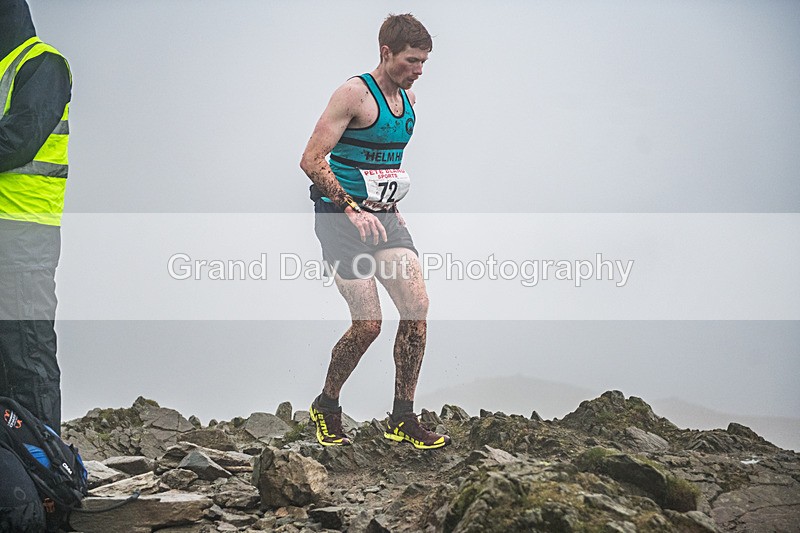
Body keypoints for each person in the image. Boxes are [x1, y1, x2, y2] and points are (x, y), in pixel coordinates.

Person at [300, 13, 450, 450]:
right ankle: (326, 405)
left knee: (417, 306)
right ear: (386, 53)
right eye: (411, 60)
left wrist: (390, 205)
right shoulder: (353, 95)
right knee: (368, 324)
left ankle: (403, 416)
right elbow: (311, 160)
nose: (419, 69)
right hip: (339, 219)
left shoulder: (409, 103)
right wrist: (350, 208)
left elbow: (383, 160)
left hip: (383, 217)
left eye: (424, 61)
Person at [0, 0, 72, 435]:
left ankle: (47, 482)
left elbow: (18, 141)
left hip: (26, 232)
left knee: (27, 353)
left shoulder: (43, 64)